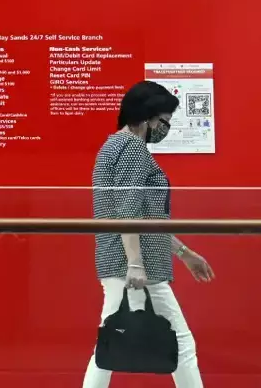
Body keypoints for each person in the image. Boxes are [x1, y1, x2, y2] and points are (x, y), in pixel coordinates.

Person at [83, 81, 215, 387]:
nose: (165, 128)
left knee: (108, 346)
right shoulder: (132, 148)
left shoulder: (112, 146)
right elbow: (129, 212)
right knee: (180, 343)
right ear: (148, 117)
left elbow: (142, 217)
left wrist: (184, 253)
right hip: (135, 266)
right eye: (164, 120)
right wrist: (135, 263)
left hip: (119, 261)